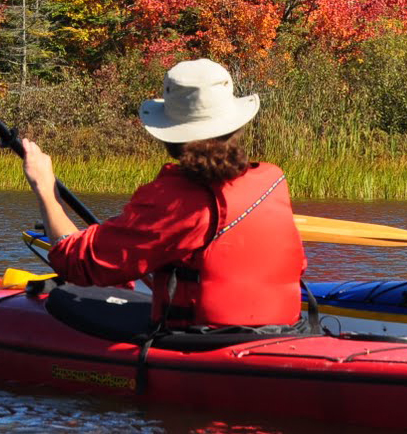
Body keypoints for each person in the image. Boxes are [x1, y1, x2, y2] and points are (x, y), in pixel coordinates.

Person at [21, 58, 307, 331]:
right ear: (236, 127)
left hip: (202, 340)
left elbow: (76, 262)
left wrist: (45, 188)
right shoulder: (272, 179)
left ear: (169, 136)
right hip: (286, 330)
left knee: (64, 300)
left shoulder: (172, 199)